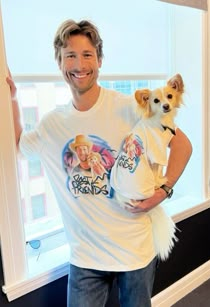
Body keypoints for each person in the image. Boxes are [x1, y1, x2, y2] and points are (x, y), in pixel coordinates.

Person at [6, 19, 192, 307]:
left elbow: (181, 143)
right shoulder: (52, 125)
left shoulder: (130, 107)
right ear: (60, 63)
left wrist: (163, 191)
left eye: (87, 55)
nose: (79, 64)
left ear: (100, 60)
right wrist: (13, 100)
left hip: (135, 253)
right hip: (85, 259)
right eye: (70, 55)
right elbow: (19, 147)